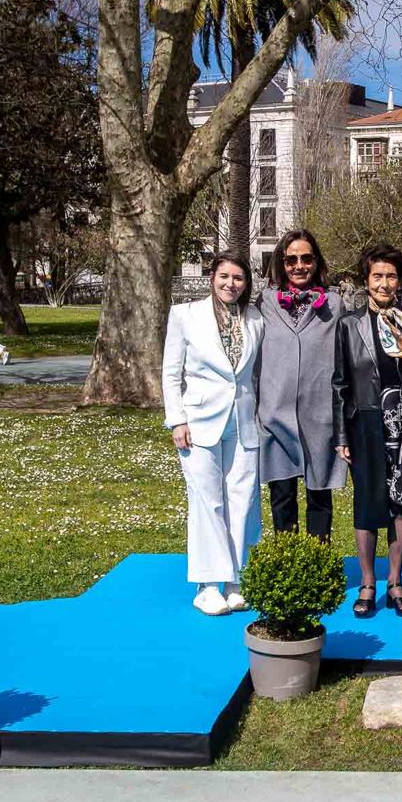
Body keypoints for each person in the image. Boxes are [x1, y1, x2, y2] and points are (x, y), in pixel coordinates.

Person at [163, 252, 265, 616]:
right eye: (224, 276)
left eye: (238, 278)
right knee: (207, 500)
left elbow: (255, 373)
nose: (230, 284)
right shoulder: (185, 316)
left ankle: (237, 579)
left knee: (243, 499)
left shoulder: (255, 318)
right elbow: (171, 373)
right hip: (198, 421)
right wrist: (177, 420)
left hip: (244, 420)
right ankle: (207, 585)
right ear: (212, 276)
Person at [333, 243, 402, 618]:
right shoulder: (349, 324)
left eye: (391, 276)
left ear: (400, 280)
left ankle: (395, 580)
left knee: (401, 502)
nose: (384, 283)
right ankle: (368, 582)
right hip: (366, 422)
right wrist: (342, 435)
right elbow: (340, 383)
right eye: (378, 276)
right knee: (368, 502)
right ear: (366, 280)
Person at [256, 230, 346, 543]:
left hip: (319, 418)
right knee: (281, 495)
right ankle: (289, 560)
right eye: (291, 259)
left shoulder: (334, 304)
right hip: (275, 415)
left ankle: (318, 560)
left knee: (319, 496)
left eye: (306, 258)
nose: (299, 265)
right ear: (282, 263)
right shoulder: (265, 302)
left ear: (316, 261)